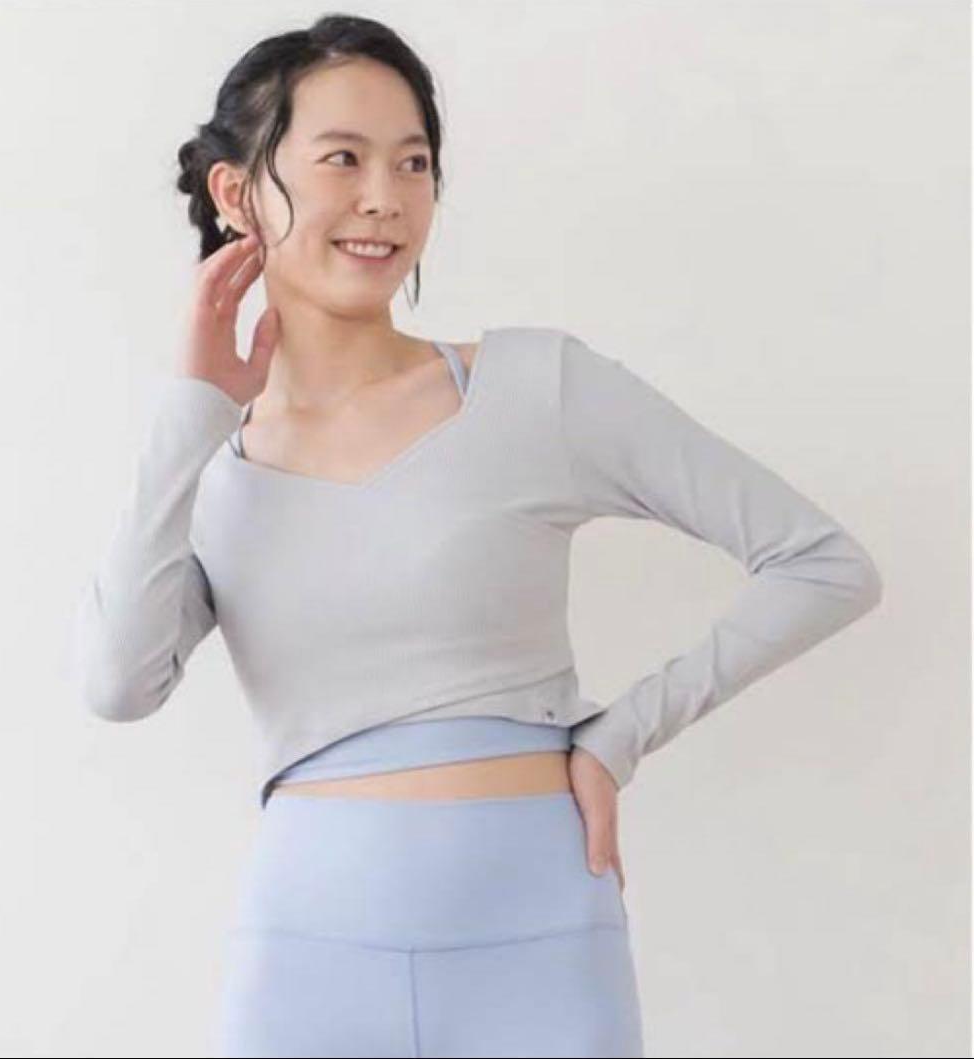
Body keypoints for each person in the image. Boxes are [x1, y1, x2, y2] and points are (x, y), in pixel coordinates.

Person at [72, 15, 883, 1058]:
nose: (386, 197)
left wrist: (620, 735)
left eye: (413, 163)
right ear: (238, 192)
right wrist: (193, 409)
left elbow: (824, 564)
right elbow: (117, 684)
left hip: (538, 944)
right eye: (342, 159)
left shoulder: (537, 390)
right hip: (308, 957)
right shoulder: (208, 466)